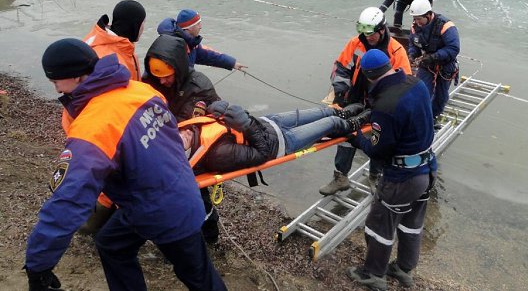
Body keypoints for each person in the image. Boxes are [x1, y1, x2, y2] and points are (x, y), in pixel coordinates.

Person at [25, 39, 226, 291]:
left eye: (55, 81)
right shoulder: (141, 91)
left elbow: (69, 200)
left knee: (198, 277)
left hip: (164, 211)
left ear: (76, 77)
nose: (55, 89)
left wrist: (38, 265)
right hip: (172, 193)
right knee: (111, 243)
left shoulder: (94, 127)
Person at [345, 49, 437, 291]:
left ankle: (373, 275)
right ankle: (404, 270)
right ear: (389, 65)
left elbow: (378, 151)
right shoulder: (416, 84)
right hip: (426, 170)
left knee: (379, 225)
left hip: (402, 178)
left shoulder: (385, 106)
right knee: (411, 225)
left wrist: (356, 137)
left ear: (367, 75)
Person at [319, 7, 412, 196]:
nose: (366, 37)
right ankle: (340, 177)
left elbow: (404, 84)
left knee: (378, 141)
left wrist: (387, 106)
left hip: (380, 104)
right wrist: (339, 94)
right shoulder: (356, 44)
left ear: (381, 29)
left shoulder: (396, 51)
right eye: (363, 32)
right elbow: (341, 68)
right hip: (355, 98)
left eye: (370, 33)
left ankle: (375, 176)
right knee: (346, 136)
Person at [143, 34, 222, 244]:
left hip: (193, 153)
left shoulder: (200, 85)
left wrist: (194, 129)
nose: (163, 81)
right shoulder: (149, 82)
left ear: (178, 68)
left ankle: (210, 236)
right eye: (158, 76)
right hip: (160, 150)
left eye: (167, 76)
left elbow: (218, 117)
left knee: (199, 197)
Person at [182, 100, 370, 174]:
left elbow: (221, 118)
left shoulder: (192, 129)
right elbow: (261, 153)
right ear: (188, 153)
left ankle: (345, 113)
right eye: (181, 140)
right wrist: (247, 124)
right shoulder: (219, 156)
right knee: (332, 123)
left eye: (178, 132)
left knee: (325, 112)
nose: (183, 132)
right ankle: (359, 121)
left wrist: (213, 108)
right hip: (283, 142)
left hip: (270, 122)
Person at [408, 0, 460, 123]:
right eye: (414, 19)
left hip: (444, 65)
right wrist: (411, 55)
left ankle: (433, 117)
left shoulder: (446, 26)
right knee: (421, 91)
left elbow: (453, 48)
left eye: (419, 19)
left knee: (440, 97)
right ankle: (421, 118)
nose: (417, 22)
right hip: (427, 64)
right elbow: (413, 44)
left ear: (428, 15)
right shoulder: (415, 27)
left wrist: (434, 57)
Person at [157, 9, 247, 71]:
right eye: (198, 24)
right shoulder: (175, 47)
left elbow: (209, 56)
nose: (201, 27)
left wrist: (232, 63)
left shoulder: (190, 43)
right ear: (189, 28)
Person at [84, 0, 146, 81]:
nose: (143, 28)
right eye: (143, 23)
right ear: (135, 25)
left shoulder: (123, 45)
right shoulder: (108, 60)